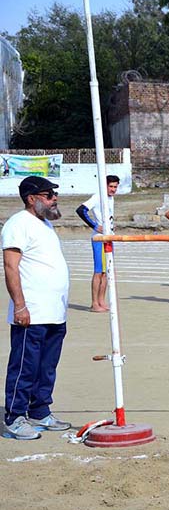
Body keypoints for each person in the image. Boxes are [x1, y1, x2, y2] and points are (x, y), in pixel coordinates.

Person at [2, 176, 71, 440]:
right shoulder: (18, 224)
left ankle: (40, 411)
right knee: (24, 366)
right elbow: (11, 267)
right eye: (49, 194)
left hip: (54, 312)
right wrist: (20, 306)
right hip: (31, 313)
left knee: (47, 366)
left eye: (54, 194)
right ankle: (15, 416)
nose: (55, 198)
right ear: (32, 199)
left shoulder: (45, 225)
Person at [75, 174, 119, 312]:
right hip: (99, 239)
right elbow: (81, 210)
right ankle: (94, 303)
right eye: (111, 186)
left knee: (106, 272)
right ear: (104, 185)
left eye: (115, 187)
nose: (113, 189)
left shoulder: (110, 198)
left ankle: (101, 301)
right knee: (99, 271)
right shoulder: (97, 196)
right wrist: (94, 226)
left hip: (109, 237)